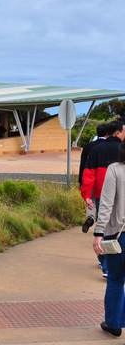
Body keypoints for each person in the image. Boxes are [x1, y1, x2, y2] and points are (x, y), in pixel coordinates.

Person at [83, 121, 125, 277]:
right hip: (120, 195)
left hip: (101, 194)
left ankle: (103, 259)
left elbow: (88, 173)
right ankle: (109, 263)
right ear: (116, 133)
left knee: (105, 226)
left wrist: (87, 194)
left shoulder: (96, 149)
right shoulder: (121, 148)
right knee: (116, 227)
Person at [92, 139, 125, 338]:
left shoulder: (115, 170)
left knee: (115, 279)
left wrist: (99, 232)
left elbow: (106, 204)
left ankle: (113, 324)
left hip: (119, 235)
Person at [79, 123, 109, 233]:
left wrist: (80, 181)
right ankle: (100, 225)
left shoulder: (88, 146)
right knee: (101, 201)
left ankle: (90, 217)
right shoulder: (106, 147)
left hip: (89, 178)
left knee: (90, 200)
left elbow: (83, 164)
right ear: (107, 133)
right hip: (102, 179)